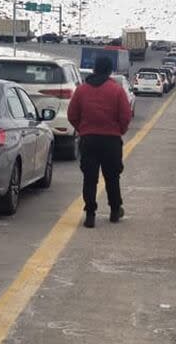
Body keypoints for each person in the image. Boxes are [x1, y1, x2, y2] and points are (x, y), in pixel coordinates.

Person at [67, 56, 132, 228]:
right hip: (111, 140)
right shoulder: (117, 91)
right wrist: (119, 131)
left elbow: (72, 114)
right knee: (112, 176)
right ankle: (115, 210)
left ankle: (90, 213)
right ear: (110, 70)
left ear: (94, 69)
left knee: (89, 177)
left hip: (89, 139)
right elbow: (125, 116)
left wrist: (83, 129)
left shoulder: (82, 90)